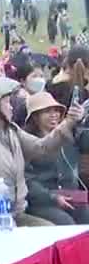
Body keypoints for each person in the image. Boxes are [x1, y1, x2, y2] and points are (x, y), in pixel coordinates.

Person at [0, 78, 86, 226]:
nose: (11, 107)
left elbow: (41, 147)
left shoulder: (11, 131)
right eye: (6, 102)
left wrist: (69, 122)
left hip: (15, 213)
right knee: (52, 229)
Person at [24, 92, 89, 225]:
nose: (54, 115)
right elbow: (28, 181)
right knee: (66, 223)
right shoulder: (27, 142)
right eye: (47, 111)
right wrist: (52, 197)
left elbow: (86, 141)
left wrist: (80, 121)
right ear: (35, 117)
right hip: (43, 200)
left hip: (71, 196)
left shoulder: (70, 134)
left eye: (56, 111)